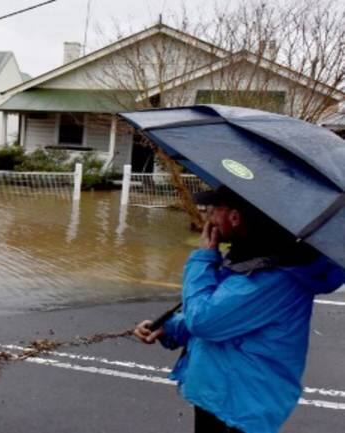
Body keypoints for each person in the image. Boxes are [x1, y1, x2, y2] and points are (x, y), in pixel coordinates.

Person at [133, 186, 345, 433]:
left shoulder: (273, 276)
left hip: (240, 407)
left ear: (234, 217)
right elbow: (228, 316)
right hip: (220, 394)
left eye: (213, 211)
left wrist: (202, 257)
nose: (208, 219)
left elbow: (204, 320)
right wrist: (169, 329)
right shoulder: (252, 257)